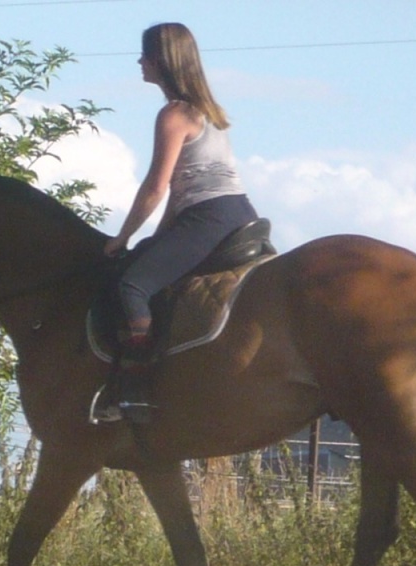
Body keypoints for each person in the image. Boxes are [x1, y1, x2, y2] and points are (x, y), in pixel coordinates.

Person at [95, 22, 258, 424]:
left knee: (132, 284)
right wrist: (157, 238)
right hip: (235, 211)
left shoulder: (174, 115)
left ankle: (135, 391)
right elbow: (179, 194)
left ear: (161, 61)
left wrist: (124, 236)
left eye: (144, 55)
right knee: (150, 264)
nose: (138, 62)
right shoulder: (208, 113)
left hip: (209, 216)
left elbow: (156, 185)